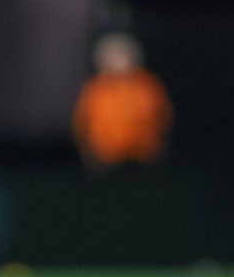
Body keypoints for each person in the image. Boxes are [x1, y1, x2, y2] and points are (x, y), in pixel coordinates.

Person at [73, 32, 173, 173]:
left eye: (123, 55)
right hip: (107, 157)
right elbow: (82, 123)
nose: (119, 61)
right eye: (112, 56)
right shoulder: (96, 89)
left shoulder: (148, 86)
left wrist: (158, 149)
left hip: (143, 156)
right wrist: (89, 156)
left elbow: (163, 117)